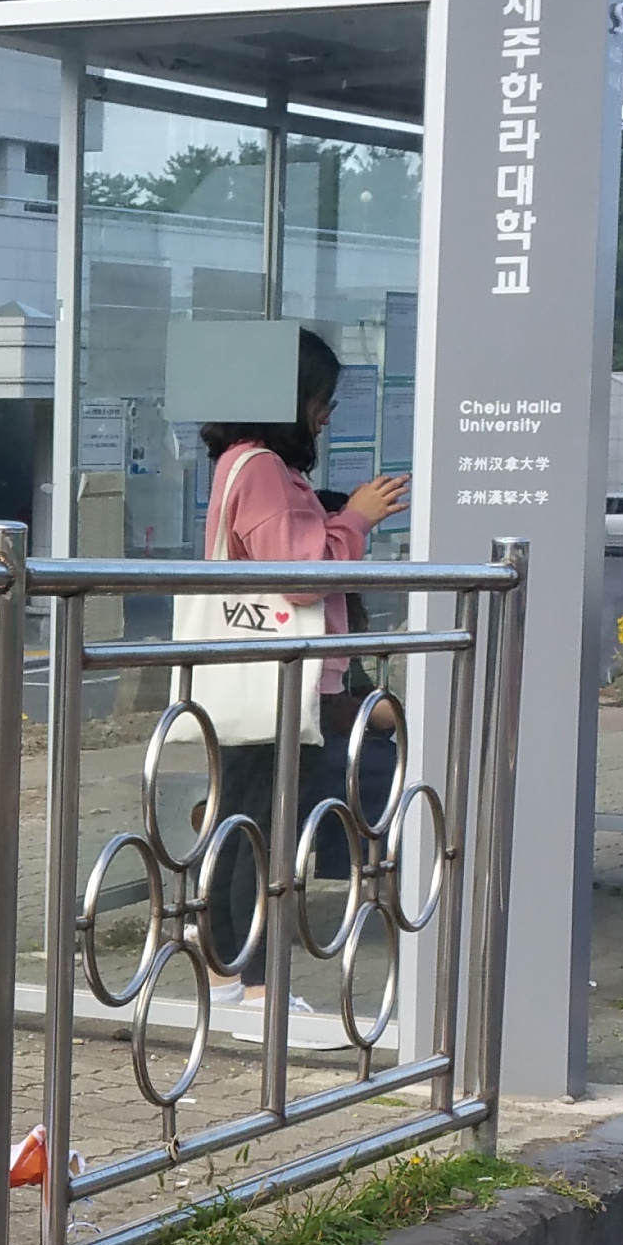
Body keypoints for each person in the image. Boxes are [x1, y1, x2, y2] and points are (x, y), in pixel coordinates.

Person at [197, 328, 410, 995]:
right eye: (322, 397)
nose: (327, 411)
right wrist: (357, 519)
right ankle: (257, 984)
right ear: (291, 397)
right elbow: (302, 573)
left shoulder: (246, 462)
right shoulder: (260, 465)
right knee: (267, 832)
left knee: (243, 820)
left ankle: (228, 970)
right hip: (279, 676)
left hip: (260, 671)